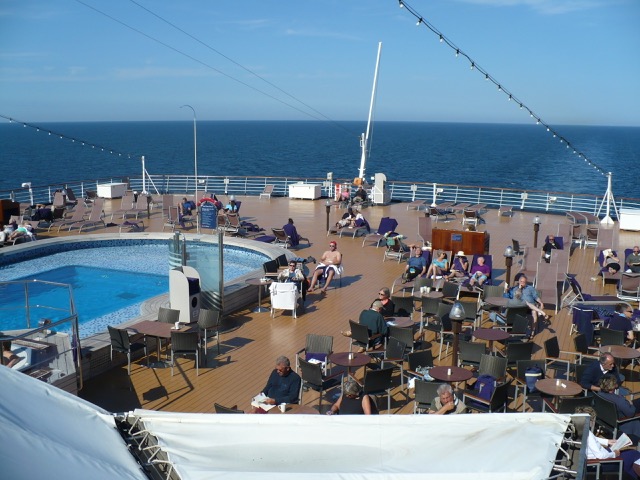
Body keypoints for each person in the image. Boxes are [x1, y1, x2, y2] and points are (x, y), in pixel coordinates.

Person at [575, 405, 640, 479]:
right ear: (590, 420)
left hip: (597, 459)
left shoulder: (580, 429)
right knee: (634, 454)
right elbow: (600, 456)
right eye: (593, 420)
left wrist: (608, 441)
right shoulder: (588, 434)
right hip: (603, 463)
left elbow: (593, 439)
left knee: (630, 457)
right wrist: (614, 454)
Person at [598, 374, 640, 441]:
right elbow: (631, 413)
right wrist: (631, 404)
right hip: (622, 418)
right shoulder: (618, 400)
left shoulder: (600, 394)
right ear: (613, 385)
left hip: (609, 416)